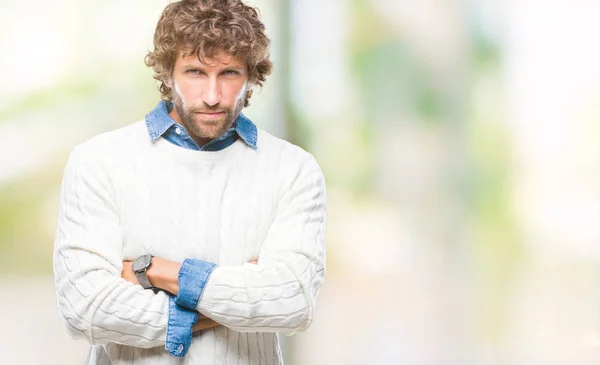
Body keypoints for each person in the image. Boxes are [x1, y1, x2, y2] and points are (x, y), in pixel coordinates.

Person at [52, 0, 327, 363]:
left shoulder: (293, 169)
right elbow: (85, 307)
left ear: (251, 76)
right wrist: (242, 298)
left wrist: (153, 271)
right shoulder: (98, 161)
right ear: (168, 74)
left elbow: (291, 301)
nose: (212, 96)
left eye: (229, 73)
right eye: (195, 72)